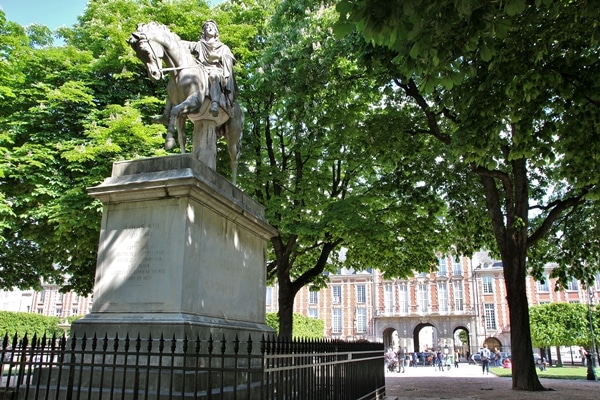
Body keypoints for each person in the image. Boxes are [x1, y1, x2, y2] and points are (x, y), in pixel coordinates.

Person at [184, 20, 239, 117]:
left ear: (216, 32)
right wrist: (170, 39)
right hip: (201, 70)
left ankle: (215, 103)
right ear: (204, 31)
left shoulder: (223, 47)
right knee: (183, 78)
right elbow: (184, 44)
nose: (210, 28)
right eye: (207, 27)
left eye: (213, 27)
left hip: (216, 70)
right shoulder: (199, 45)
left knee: (213, 76)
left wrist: (219, 57)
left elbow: (230, 59)